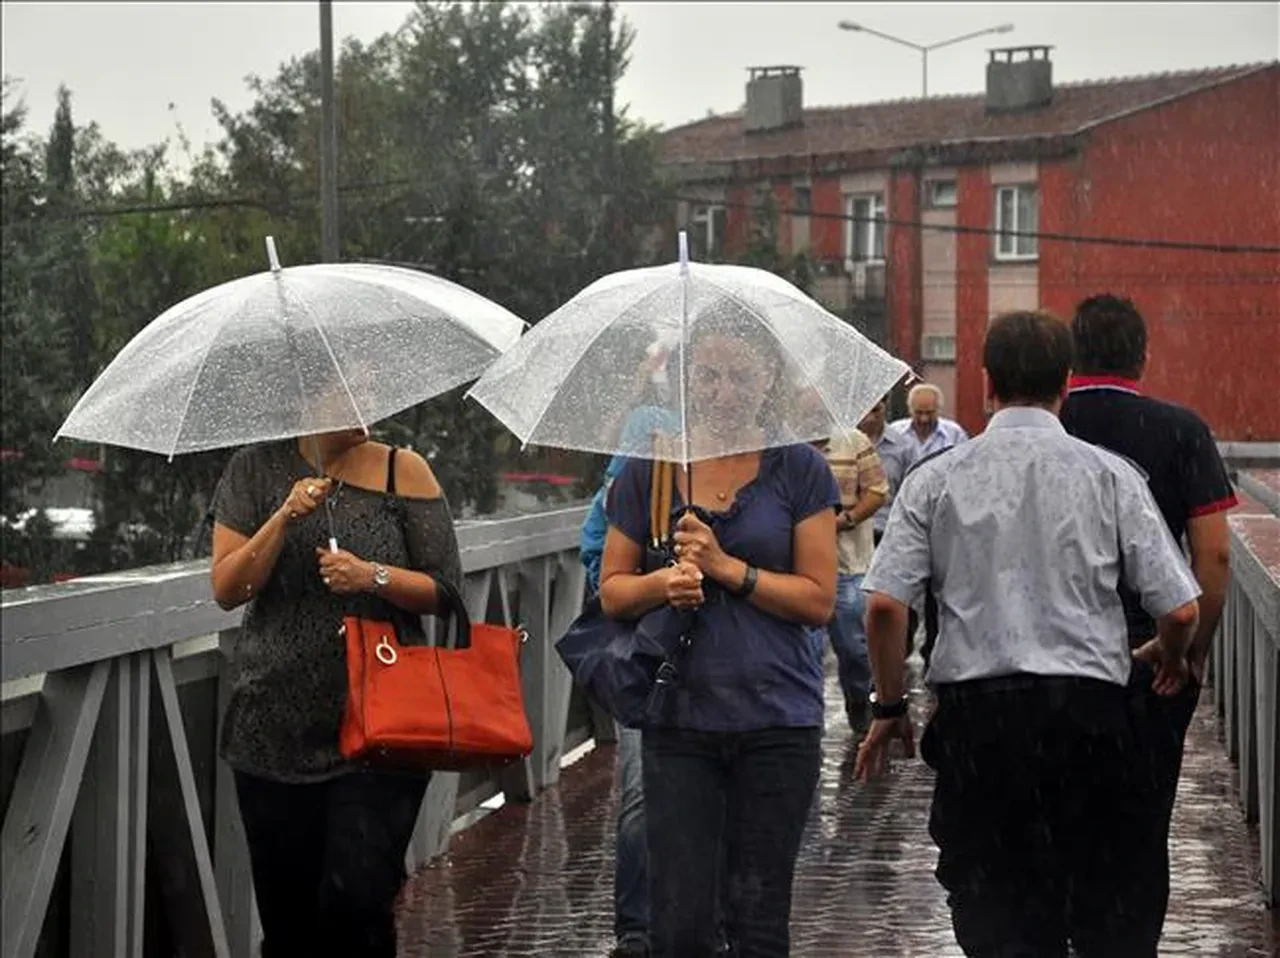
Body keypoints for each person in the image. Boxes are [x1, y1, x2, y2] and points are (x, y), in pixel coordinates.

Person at [858, 309, 1201, 957]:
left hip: (978, 727)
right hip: (1091, 721)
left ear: (987, 383)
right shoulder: (1109, 475)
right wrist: (1169, 655)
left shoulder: (936, 479)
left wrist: (889, 706)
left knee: (997, 912)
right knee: (1096, 899)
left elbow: (883, 605)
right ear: (1065, 384)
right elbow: (1180, 609)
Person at [599, 315, 838, 958]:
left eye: (740, 376)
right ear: (686, 380)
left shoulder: (801, 469)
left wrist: (729, 570)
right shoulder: (650, 472)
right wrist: (664, 586)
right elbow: (613, 589)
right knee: (680, 927)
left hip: (777, 718)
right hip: (679, 719)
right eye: (707, 375)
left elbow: (818, 599)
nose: (723, 391)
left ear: (768, 381)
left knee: (759, 922)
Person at [210, 426, 462, 958]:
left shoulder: (404, 470)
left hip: (381, 731)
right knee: (289, 924)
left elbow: (446, 591)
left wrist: (373, 577)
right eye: (349, 386)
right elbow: (228, 589)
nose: (364, 400)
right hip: (272, 729)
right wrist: (283, 518)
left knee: (359, 909)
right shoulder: (253, 469)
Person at [1060, 292, 1235, 943]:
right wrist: (1189, 651)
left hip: (1056, 658)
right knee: (1139, 828)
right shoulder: (1180, 429)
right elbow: (1213, 553)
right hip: (1148, 659)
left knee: (1059, 815)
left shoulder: (1045, 424)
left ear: (1072, 356)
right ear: (1143, 356)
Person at [888, 383, 968, 669]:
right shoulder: (896, 435)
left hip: (942, 523)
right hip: (905, 521)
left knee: (939, 590)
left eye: (929, 413)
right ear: (911, 410)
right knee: (902, 590)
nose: (923, 419)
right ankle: (901, 647)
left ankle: (933, 651)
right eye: (919, 412)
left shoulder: (955, 435)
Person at [820, 427, 888, 733]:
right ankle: (807, 722)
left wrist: (845, 520)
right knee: (805, 651)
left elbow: (877, 490)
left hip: (848, 565)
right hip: (796, 567)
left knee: (854, 648)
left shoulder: (853, 441)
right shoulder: (783, 439)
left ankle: (859, 701)